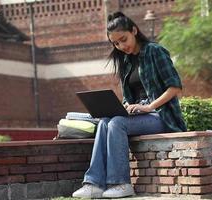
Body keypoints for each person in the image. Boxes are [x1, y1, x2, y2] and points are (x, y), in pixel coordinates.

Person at [72, 11, 187, 199]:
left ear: (134, 30)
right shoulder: (125, 61)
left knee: (117, 123)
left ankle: (121, 183)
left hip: (160, 115)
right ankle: (94, 183)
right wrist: (126, 106)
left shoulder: (154, 51)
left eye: (123, 39)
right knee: (104, 122)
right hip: (139, 114)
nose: (121, 46)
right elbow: (128, 97)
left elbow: (175, 87)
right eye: (116, 43)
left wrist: (149, 107)